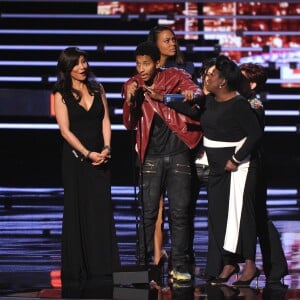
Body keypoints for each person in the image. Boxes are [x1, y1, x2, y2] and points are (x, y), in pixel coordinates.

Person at [122, 41, 202, 281]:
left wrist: (177, 95)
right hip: (151, 157)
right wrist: (129, 101)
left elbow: (196, 93)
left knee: (179, 212)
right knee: (147, 214)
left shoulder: (175, 76)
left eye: (146, 63)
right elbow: (128, 123)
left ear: (157, 63)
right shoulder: (131, 84)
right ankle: (141, 268)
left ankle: (179, 266)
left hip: (178, 154)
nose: (142, 68)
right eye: (138, 64)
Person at [53, 47, 120, 298]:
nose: (82, 67)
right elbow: (65, 131)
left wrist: (106, 148)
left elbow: (106, 121)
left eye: (84, 62)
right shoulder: (60, 93)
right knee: (78, 208)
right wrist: (86, 153)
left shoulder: (97, 88)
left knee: (101, 208)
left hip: (101, 156)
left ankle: (103, 264)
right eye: (77, 64)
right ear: (67, 68)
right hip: (75, 159)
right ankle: (78, 265)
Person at [200, 55, 263, 287]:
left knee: (242, 215)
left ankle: (250, 264)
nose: (206, 78)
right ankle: (228, 263)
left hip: (240, 167)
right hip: (216, 168)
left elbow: (255, 134)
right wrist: (162, 97)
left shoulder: (239, 104)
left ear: (223, 81)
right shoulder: (209, 100)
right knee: (218, 214)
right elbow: (190, 111)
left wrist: (235, 159)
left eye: (211, 75)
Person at [147, 25, 199, 267]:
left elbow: (196, 102)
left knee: (180, 208)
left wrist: (169, 98)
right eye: (166, 40)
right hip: (153, 141)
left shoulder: (186, 70)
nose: (173, 43)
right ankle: (157, 257)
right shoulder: (145, 68)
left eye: (174, 39)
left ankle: (182, 259)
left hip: (178, 140)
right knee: (153, 209)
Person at [239, 62, 288, 284]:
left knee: (259, 218)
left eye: (240, 78)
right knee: (256, 218)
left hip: (254, 165)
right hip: (248, 165)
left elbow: (252, 136)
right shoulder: (243, 102)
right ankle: (275, 268)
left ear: (252, 83)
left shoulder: (254, 104)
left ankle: (275, 268)